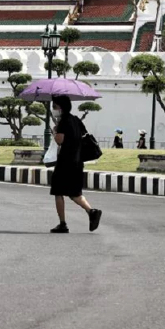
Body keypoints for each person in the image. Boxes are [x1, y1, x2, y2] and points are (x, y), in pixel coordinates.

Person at [49, 94, 102, 233]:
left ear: (61, 107)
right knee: (74, 193)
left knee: (58, 191)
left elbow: (59, 140)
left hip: (65, 161)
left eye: (55, 106)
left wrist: (55, 131)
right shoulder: (76, 120)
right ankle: (91, 211)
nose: (53, 109)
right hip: (78, 161)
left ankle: (62, 223)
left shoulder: (63, 121)